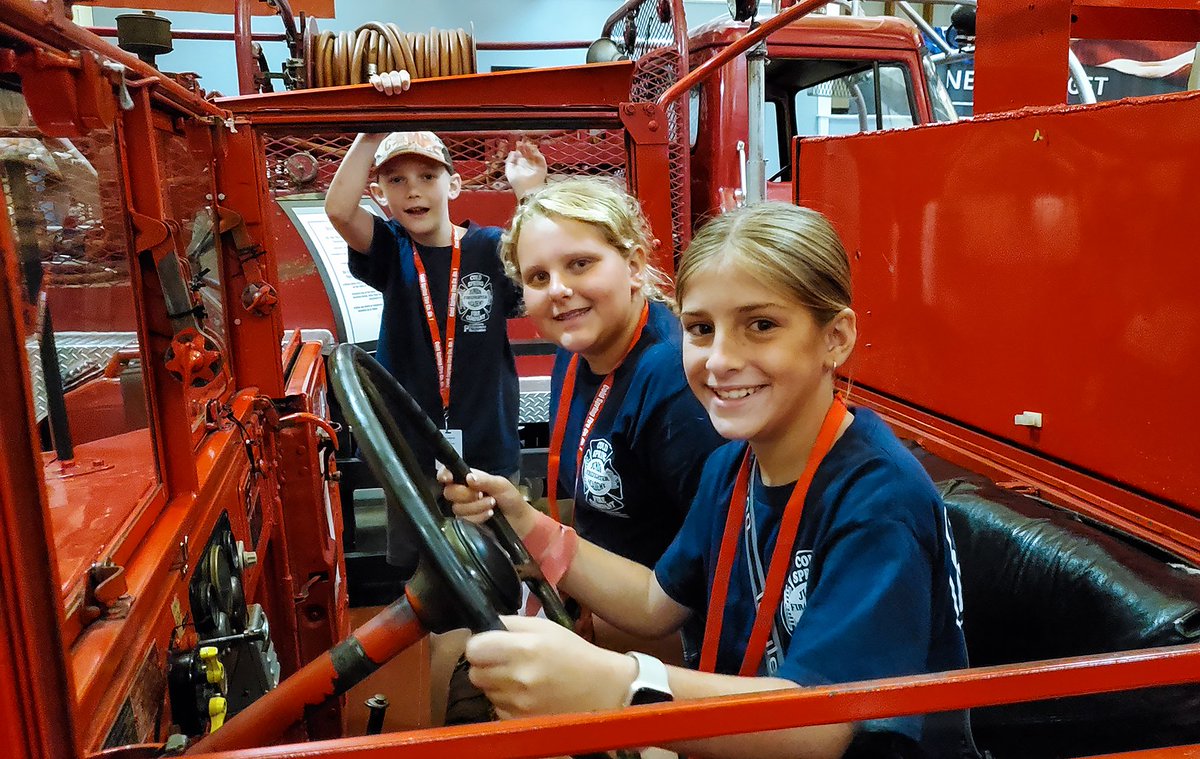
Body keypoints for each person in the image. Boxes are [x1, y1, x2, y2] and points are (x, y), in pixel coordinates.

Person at [444, 202, 977, 758]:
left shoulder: (877, 499)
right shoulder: (733, 466)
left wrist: (621, 687)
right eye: (701, 329)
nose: (720, 360)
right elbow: (655, 602)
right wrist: (526, 523)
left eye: (761, 325)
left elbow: (826, 726)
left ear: (836, 338)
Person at [439, 177, 725, 725]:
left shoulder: (672, 381)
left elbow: (712, 580)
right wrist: (516, 514)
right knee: (452, 639)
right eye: (538, 277)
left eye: (580, 265)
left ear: (634, 265)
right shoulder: (577, 354)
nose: (559, 290)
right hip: (595, 599)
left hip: (667, 637)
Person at [325, 69, 548, 580]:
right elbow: (339, 209)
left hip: (487, 441)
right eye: (396, 180)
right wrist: (371, 130)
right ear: (380, 192)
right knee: (425, 575)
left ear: (455, 183)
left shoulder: (489, 246)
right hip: (409, 448)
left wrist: (530, 194)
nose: (413, 190)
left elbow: (540, 257)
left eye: (428, 176)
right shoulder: (390, 248)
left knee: (494, 568)